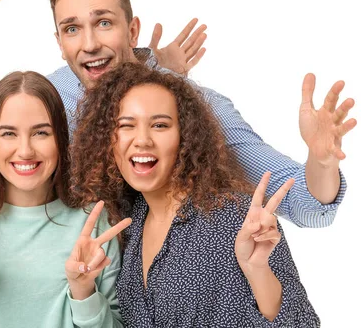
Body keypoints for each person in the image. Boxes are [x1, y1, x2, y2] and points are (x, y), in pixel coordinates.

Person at [0, 0, 355, 228]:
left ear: (133, 29)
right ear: (59, 41)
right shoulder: (55, 91)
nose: (89, 43)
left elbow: (305, 202)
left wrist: (319, 160)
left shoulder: (197, 107)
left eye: (103, 23)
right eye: (73, 29)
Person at [70, 62, 320, 326]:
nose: (142, 139)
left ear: (186, 137)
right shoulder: (132, 223)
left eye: (160, 125)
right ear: (107, 140)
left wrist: (258, 270)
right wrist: (83, 288)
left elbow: (300, 323)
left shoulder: (235, 215)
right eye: (126, 125)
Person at [0, 71, 129, 327]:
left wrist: (84, 292)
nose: (25, 150)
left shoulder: (93, 224)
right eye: (8, 134)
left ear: (60, 139)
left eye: (41, 133)